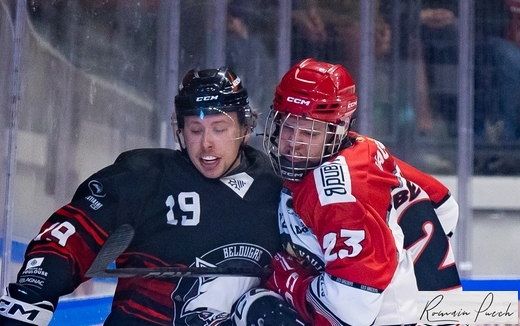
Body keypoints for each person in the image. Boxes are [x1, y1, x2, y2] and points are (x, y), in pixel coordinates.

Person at [0, 67, 306, 326]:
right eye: (195, 130)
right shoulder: (146, 177)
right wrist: (33, 291)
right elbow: (71, 231)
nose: (207, 144)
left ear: (244, 128)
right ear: (180, 131)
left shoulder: (276, 187)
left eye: (219, 129)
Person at [262, 58, 461, 325]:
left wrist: (292, 283)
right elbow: (444, 204)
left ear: (337, 130)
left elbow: (350, 308)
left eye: (309, 134)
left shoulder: (336, 192)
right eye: (287, 126)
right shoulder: (364, 147)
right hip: (432, 309)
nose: (293, 143)